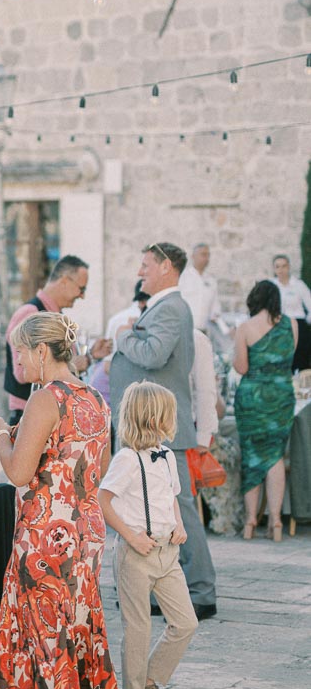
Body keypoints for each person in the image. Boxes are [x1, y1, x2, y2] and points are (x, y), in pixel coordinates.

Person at [0, 312, 131, 689]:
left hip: (48, 533)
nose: (19, 361)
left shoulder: (46, 400)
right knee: (77, 630)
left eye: (21, 352)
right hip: (85, 531)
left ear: (42, 352)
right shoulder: (95, 400)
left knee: (47, 636)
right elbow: (97, 470)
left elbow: (19, 473)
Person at [97, 241, 218, 620]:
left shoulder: (171, 308)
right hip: (149, 428)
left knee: (179, 506)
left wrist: (123, 336)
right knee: (147, 507)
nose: (140, 271)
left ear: (166, 266)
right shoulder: (164, 307)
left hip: (162, 428)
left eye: (146, 264)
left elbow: (153, 355)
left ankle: (201, 590)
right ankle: (154, 590)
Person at [98, 383, 198, 689]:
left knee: (185, 622)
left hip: (167, 552)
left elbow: (171, 497)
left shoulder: (167, 456)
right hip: (135, 554)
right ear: (154, 417)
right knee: (138, 629)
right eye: (169, 413)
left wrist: (180, 526)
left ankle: (151, 679)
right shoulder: (126, 459)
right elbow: (103, 500)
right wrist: (130, 536)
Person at [234, 279, 298, 542]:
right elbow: (288, 359)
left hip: (252, 398)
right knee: (275, 457)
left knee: (252, 456)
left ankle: (250, 522)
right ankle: (276, 522)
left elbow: (241, 368)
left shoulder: (245, 328)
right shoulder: (292, 325)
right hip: (282, 397)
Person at [4, 254, 90, 423]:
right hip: (33, 416)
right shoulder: (30, 314)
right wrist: (72, 367)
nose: (82, 296)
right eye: (82, 289)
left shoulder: (54, 315)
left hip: (50, 412)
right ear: (65, 281)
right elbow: (22, 373)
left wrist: (91, 356)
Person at [272, 254, 311, 371]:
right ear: (274, 269)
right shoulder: (271, 285)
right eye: (277, 267)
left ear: (288, 267)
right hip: (279, 326)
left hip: (299, 325)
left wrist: (305, 324)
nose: (281, 270)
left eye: (284, 266)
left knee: (300, 361)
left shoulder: (299, 285)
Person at [179, 243, 224, 335]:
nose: (206, 259)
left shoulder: (211, 280)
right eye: (203, 255)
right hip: (184, 330)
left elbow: (215, 309)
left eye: (208, 255)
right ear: (193, 256)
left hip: (202, 331)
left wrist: (225, 329)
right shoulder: (183, 277)